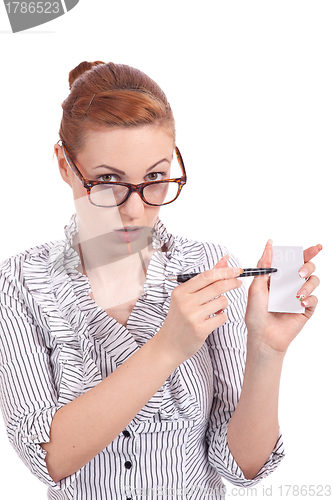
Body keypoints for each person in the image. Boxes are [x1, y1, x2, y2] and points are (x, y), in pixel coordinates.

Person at [0, 61, 321, 500]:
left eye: (154, 178)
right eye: (108, 180)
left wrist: (267, 349)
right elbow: (49, 458)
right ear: (63, 164)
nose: (135, 209)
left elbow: (242, 467)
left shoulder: (207, 265)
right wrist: (169, 346)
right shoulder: (22, 281)